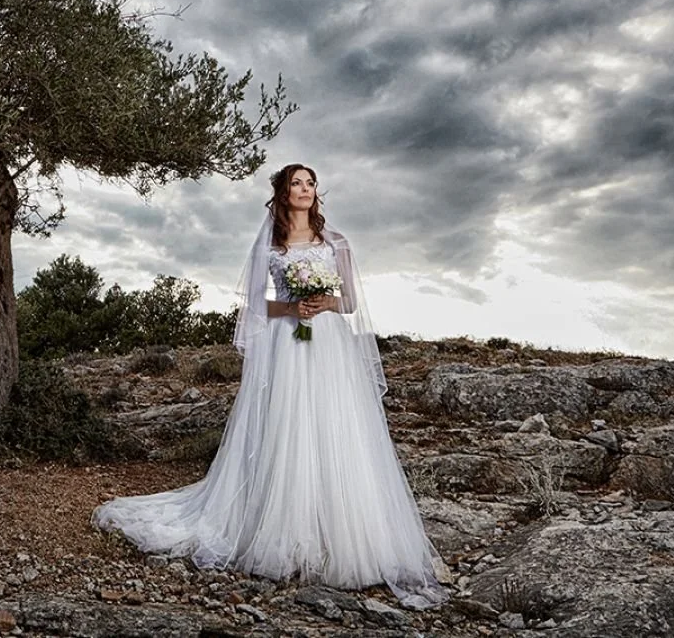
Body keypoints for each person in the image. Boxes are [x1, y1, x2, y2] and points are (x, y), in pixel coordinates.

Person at [90, 163, 450, 610]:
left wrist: (323, 302)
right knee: (288, 423)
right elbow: (258, 307)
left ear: (317, 193)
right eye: (296, 183)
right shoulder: (270, 247)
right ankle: (282, 528)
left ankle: (342, 532)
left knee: (334, 425)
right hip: (289, 343)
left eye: (311, 183)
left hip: (331, 345)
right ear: (282, 193)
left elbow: (351, 302)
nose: (305, 189)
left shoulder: (337, 243)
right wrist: (292, 309)